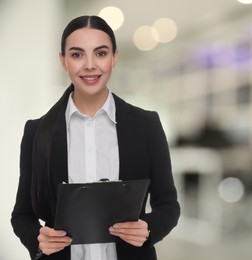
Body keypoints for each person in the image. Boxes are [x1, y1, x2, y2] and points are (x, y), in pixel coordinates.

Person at [11, 15, 180, 260]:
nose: (90, 65)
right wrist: (38, 238)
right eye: (77, 55)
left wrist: (149, 229)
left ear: (115, 57)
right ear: (63, 61)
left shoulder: (147, 125)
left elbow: (168, 205)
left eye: (100, 53)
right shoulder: (37, 131)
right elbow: (22, 214)